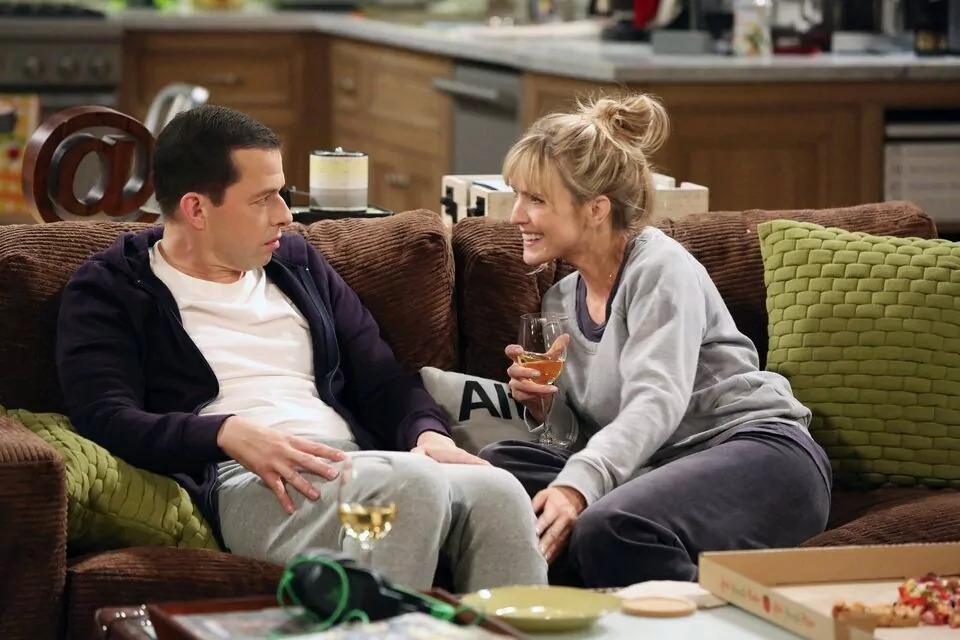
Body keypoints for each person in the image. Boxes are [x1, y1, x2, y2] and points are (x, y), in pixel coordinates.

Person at [55, 105, 547, 592]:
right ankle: (380, 627)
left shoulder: (297, 264)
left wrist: (428, 435)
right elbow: (105, 416)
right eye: (262, 199)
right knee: (407, 486)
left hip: (361, 465)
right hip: (248, 480)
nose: (285, 215)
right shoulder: (111, 288)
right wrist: (224, 432)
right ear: (196, 209)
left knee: (497, 489)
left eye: (283, 194)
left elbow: (382, 380)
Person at [479, 93, 833, 589]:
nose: (516, 214)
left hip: (759, 457)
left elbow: (657, 399)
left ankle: (720, 615)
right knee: (496, 475)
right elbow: (593, 436)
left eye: (535, 200)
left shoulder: (660, 269)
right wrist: (546, 408)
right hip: (656, 467)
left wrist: (578, 489)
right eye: (517, 196)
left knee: (609, 527)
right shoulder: (560, 300)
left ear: (596, 209)